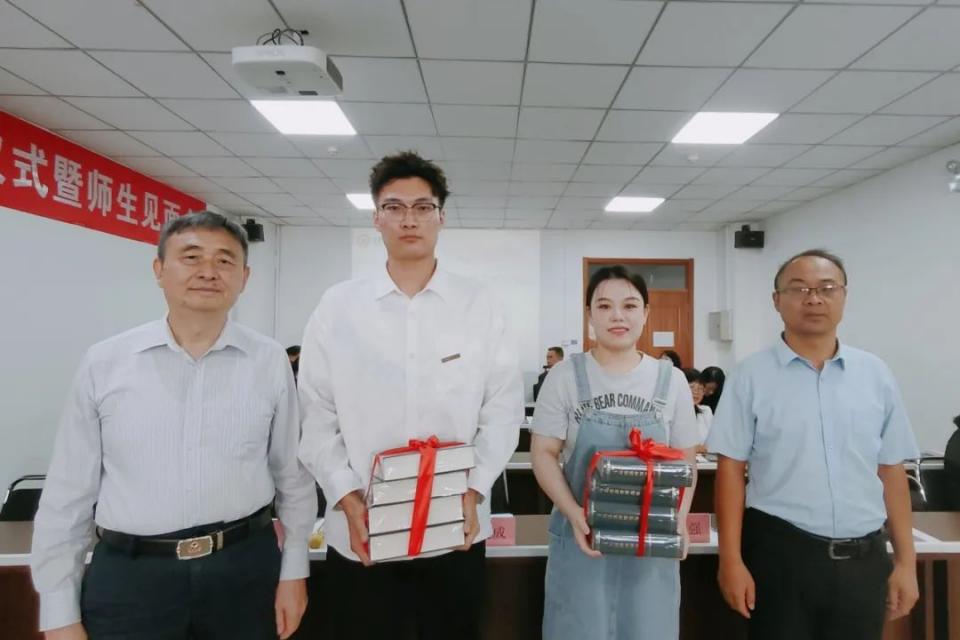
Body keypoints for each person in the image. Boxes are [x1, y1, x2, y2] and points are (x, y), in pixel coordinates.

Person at [31, 212, 317, 640]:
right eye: (191, 257)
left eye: (225, 260)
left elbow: (292, 476)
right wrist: (58, 612)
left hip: (242, 573)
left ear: (244, 277)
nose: (208, 271)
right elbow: (68, 493)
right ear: (159, 270)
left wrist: (293, 571)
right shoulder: (105, 362)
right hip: (132, 579)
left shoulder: (269, 359)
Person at [297, 151, 523, 640]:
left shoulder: (479, 304)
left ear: (442, 216)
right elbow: (314, 414)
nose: (409, 220)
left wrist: (474, 488)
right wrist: (346, 497)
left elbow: (503, 410)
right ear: (376, 217)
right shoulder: (339, 307)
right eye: (394, 207)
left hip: (455, 527)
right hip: (363, 530)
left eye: (423, 207)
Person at [707, 249, 920, 640]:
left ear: (844, 296)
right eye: (799, 288)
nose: (814, 298)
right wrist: (731, 560)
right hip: (780, 556)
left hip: (864, 560)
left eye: (826, 288)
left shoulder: (875, 374)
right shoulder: (750, 376)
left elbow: (891, 470)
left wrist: (906, 563)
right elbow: (730, 471)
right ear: (777, 300)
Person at [530, 265, 699, 640]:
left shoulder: (671, 380)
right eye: (604, 306)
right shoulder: (564, 377)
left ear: (646, 313)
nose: (617, 316)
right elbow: (542, 453)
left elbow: (686, 461)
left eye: (630, 305)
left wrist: (679, 519)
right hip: (582, 538)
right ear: (590, 315)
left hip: (651, 541)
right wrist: (574, 514)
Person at [683, 367, 713, 451]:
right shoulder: (670, 413)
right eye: (692, 387)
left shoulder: (706, 411)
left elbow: (715, 439)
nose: (696, 392)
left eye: (700, 388)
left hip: (705, 457)